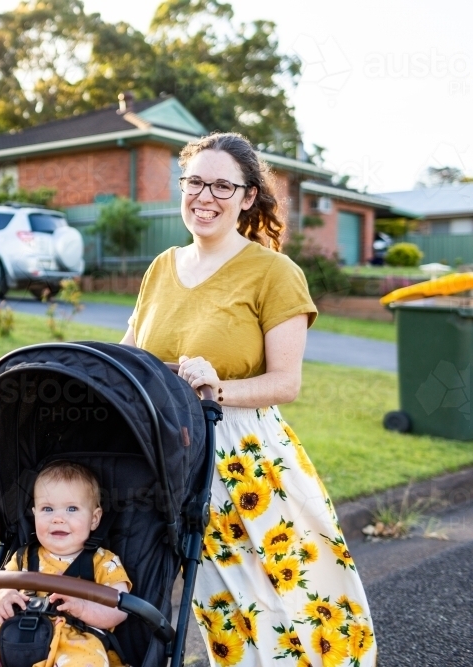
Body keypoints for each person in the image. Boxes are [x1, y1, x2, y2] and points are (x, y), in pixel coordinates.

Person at [120, 132, 376, 667]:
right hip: (169, 456)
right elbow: (129, 354)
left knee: (289, 600)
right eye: (194, 182)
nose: (204, 196)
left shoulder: (274, 272)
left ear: (248, 197)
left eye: (222, 185)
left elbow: (286, 382)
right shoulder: (161, 267)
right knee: (218, 605)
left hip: (245, 456)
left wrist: (218, 388)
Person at [0, 461, 131, 667]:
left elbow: (120, 608)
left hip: (75, 642)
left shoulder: (104, 562)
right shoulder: (25, 556)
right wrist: (2, 595)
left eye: (72, 508)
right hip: (15, 632)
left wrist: (83, 607)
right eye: (47, 509)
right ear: (35, 513)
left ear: (94, 519)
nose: (58, 518)